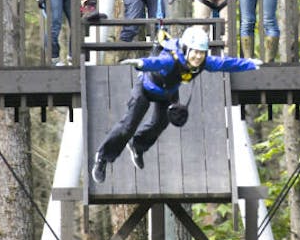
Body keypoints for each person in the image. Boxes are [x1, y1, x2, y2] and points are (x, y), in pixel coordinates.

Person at [91, 26, 262, 183]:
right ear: (186, 49)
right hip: (145, 89)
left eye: (202, 53)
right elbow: (156, 63)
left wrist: (249, 64)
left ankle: (137, 145)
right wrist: (141, 64)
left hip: (168, 93)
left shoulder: (203, 63)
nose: (198, 57)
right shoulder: (171, 59)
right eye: (195, 53)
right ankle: (103, 158)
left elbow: (225, 64)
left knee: (160, 123)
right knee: (128, 126)